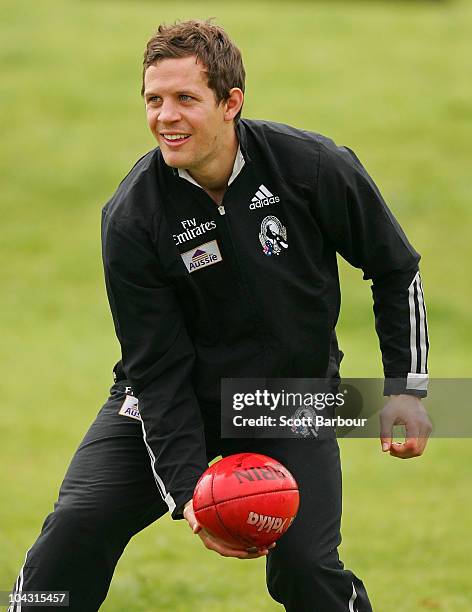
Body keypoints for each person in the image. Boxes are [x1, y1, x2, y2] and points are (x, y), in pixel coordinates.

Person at [8, 19, 432, 612]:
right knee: (78, 524)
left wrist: (406, 388)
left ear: (231, 102)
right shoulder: (133, 217)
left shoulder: (310, 167)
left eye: (185, 98)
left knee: (306, 569)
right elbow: (155, 369)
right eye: (153, 100)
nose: (165, 117)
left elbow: (395, 267)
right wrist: (190, 494)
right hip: (173, 394)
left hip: (287, 397)